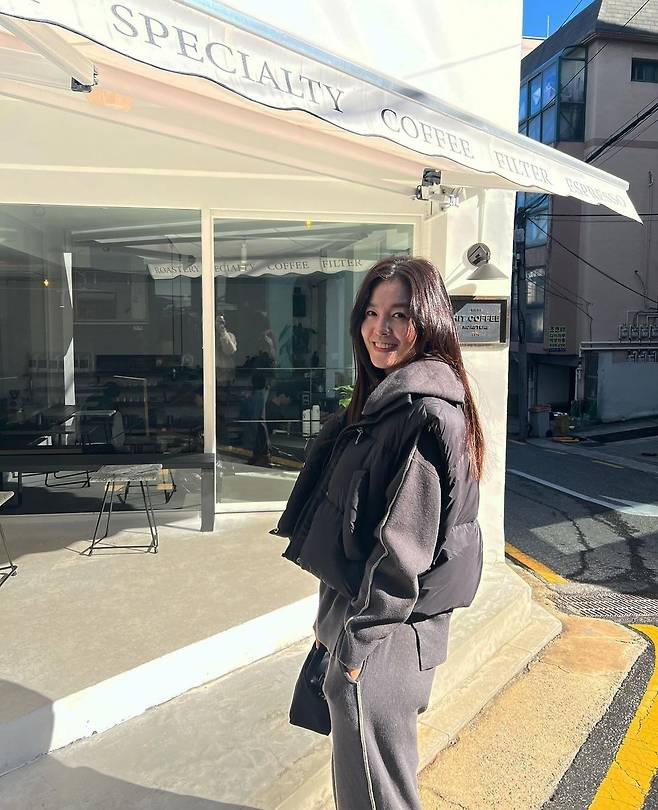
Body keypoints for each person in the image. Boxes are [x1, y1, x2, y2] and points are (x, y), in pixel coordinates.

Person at [272, 256, 485, 810]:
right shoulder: (386, 404)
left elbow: (401, 555)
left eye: (399, 314)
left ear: (429, 323)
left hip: (382, 640)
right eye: (371, 312)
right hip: (366, 630)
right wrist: (331, 628)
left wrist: (354, 649)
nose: (379, 328)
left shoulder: (420, 416)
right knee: (363, 787)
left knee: (377, 796)